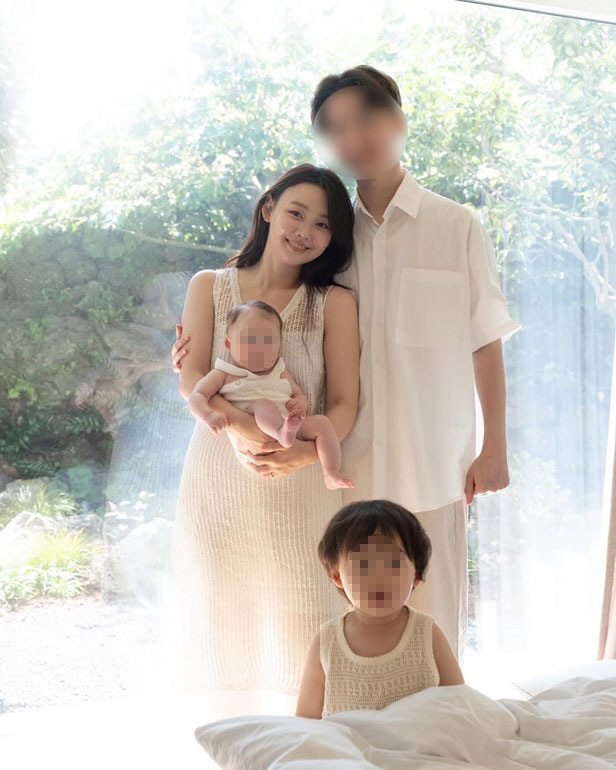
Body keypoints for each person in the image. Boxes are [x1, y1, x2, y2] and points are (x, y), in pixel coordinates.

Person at [172, 64, 520, 662]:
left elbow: (485, 340)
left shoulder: (455, 226)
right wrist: (191, 356)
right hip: (343, 471)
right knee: (347, 637)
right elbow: (263, 316)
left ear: (398, 119)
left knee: (434, 629)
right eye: (336, 128)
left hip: (431, 460)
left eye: (367, 118)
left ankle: (438, 721)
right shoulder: (330, 237)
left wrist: (494, 448)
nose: (354, 137)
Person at [169, 163, 360, 710]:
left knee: (307, 623)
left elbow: (344, 404)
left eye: (322, 224)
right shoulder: (209, 286)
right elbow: (191, 378)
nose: (305, 231)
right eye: (296, 213)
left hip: (301, 488)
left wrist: (302, 458)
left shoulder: (333, 303)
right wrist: (244, 429)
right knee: (221, 621)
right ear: (269, 209)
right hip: (217, 481)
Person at [295, 499, 464, 718]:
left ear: (416, 575)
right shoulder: (327, 641)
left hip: (415, 741)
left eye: (393, 563)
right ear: (337, 576)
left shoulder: (426, 633)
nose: (379, 577)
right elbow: (305, 721)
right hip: (346, 742)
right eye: (363, 564)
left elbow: (460, 705)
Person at [188, 299, 354, 489]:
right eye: (248, 340)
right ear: (228, 342)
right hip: (252, 440)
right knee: (263, 404)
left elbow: (298, 394)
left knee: (323, 424)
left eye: (267, 341)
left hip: (290, 427)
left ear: (279, 347)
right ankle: (281, 432)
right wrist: (208, 416)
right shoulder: (224, 373)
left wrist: (300, 404)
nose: (258, 348)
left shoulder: (280, 371)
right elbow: (197, 395)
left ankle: (331, 472)